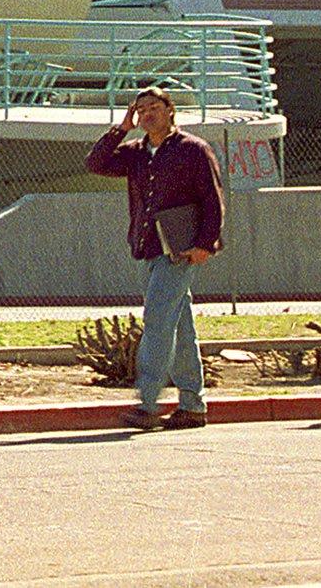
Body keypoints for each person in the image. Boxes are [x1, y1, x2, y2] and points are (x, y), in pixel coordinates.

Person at [85, 86, 225, 431]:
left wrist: (207, 242)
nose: (148, 114)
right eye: (141, 109)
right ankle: (192, 405)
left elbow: (212, 198)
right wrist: (121, 129)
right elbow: (95, 163)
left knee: (158, 318)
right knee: (179, 324)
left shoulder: (193, 150)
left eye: (154, 107)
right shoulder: (135, 153)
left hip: (181, 248)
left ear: (170, 110)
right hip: (150, 246)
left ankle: (147, 404)